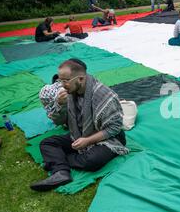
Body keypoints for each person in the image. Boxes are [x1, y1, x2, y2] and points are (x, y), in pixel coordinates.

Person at [30, 59, 129, 192]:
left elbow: (114, 128)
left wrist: (88, 140)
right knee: (47, 143)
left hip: (109, 138)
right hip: (81, 132)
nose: (62, 85)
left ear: (80, 79)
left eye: (66, 81)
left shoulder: (104, 95)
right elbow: (59, 122)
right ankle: (61, 173)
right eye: (60, 80)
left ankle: (59, 162)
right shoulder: (68, 93)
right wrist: (60, 105)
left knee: (92, 161)